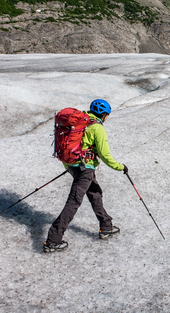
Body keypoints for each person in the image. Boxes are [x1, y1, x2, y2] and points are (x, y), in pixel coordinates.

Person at [43, 99, 128, 253]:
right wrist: (121, 167)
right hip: (85, 169)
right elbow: (105, 155)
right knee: (74, 201)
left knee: (95, 193)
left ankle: (106, 225)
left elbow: (67, 149)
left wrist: (70, 167)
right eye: (107, 115)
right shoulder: (97, 128)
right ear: (103, 114)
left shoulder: (81, 123)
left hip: (74, 166)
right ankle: (53, 240)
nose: (107, 118)